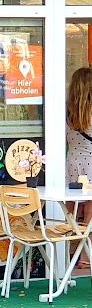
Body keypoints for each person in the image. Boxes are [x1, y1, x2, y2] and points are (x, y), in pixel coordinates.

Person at [67, 66, 92, 267]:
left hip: (72, 164)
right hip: (91, 166)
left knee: (71, 214)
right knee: (90, 215)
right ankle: (85, 257)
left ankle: (70, 252)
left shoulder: (65, 111)